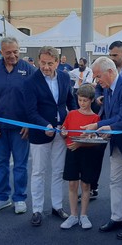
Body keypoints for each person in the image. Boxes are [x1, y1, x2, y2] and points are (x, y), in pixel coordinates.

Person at [83, 56, 122, 240]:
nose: (96, 81)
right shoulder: (107, 90)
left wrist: (100, 126)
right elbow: (113, 116)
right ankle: (117, 217)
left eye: (98, 76)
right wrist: (104, 127)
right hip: (117, 144)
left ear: (110, 72)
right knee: (115, 182)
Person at [0, 37, 35, 213]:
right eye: (8, 52)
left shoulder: (29, 70)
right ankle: (2, 197)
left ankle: (19, 198)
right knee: (1, 164)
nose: (13, 55)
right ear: (1, 52)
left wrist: (30, 123)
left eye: (16, 51)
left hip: (21, 128)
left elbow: (35, 99)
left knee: (20, 165)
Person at [23, 46, 76, 226]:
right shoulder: (30, 82)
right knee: (38, 172)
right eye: (43, 63)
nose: (46, 67)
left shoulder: (65, 77)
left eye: (50, 63)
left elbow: (70, 101)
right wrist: (44, 125)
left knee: (58, 171)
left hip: (61, 132)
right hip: (40, 133)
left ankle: (57, 206)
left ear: (57, 62)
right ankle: (37, 210)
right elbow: (30, 111)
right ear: (38, 61)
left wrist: (71, 121)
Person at [60, 84, 106, 230]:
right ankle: (73, 215)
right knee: (72, 184)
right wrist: (63, 133)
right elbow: (64, 130)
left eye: (85, 100)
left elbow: (94, 141)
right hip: (72, 152)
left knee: (86, 185)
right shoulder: (71, 114)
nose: (82, 103)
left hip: (87, 154)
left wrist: (79, 144)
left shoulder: (95, 118)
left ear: (91, 100)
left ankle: (84, 215)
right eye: (80, 100)